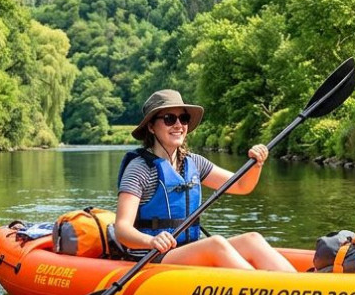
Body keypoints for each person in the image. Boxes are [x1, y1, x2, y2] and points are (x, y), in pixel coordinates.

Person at [113, 89, 297, 271]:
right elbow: (122, 229)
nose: (178, 125)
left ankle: (298, 288)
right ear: (151, 127)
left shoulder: (194, 163)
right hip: (151, 255)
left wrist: (257, 165)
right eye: (169, 119)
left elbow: (242, 186)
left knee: (253, 239)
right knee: (215, 244)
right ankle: (264, 290)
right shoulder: (140, 169)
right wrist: (151, 240)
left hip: (183, 250)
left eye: (183, 119)